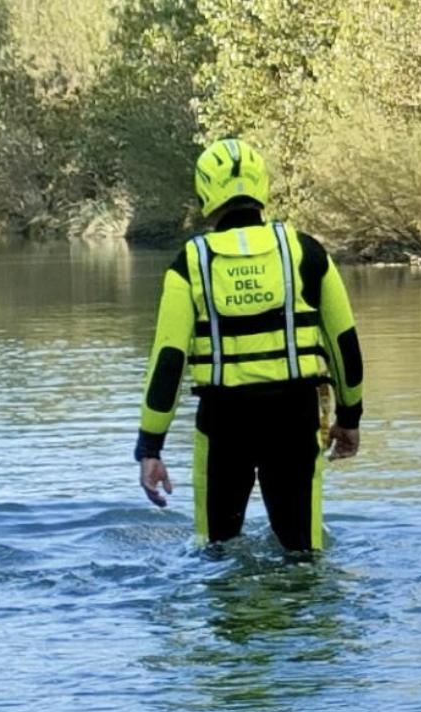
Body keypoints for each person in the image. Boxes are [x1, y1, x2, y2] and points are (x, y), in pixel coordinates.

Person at [135, 138, 364, 552]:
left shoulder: (189, 263)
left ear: (205, 190)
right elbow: (344, 341)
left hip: (223, 422)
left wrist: (150, 447)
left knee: (215, 552)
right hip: (293, 419)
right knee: (304, 554)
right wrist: (350, 417)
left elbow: (167, 361)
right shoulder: (306, 252)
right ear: (261, 185)